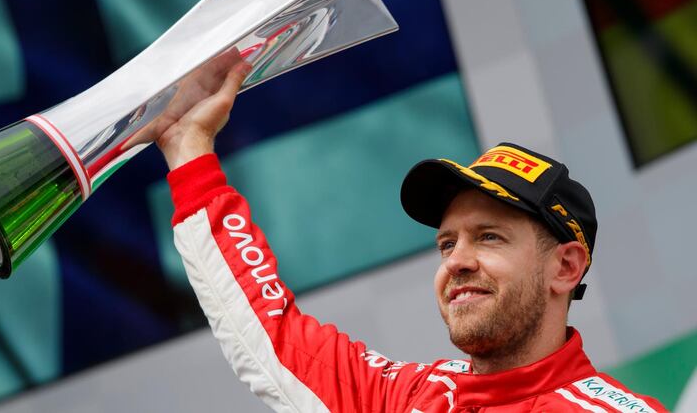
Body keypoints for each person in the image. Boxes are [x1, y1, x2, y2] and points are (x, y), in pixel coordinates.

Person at [156, 60, 667, 412]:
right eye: (447, 243)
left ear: (566, 267)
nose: (457, 261)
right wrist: (189, 150)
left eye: (489, 237)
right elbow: (271, 336)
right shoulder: (409, 397)